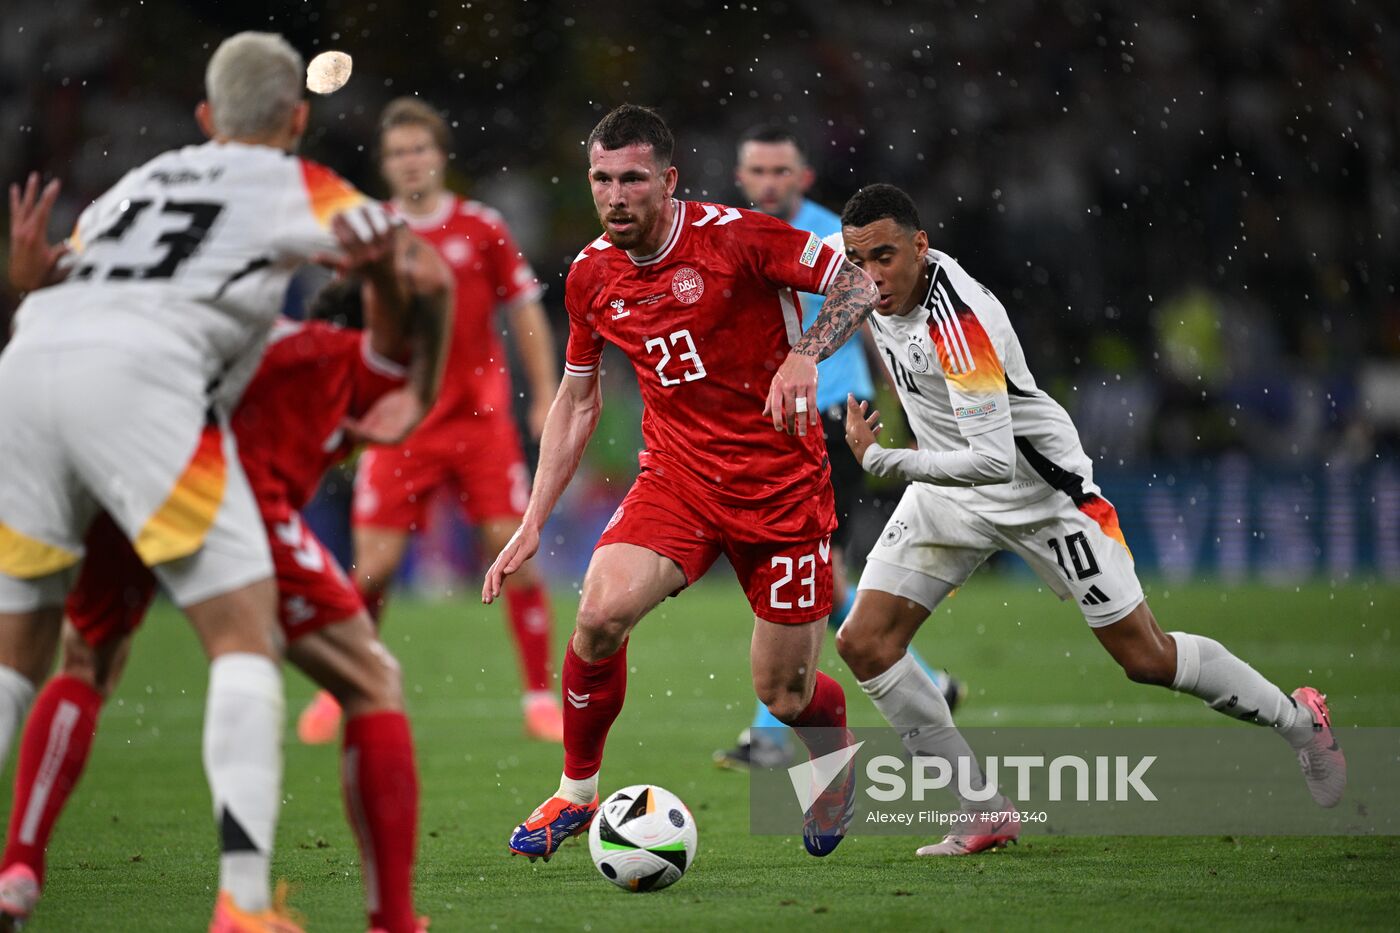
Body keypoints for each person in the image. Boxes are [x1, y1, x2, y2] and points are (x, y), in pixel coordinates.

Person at [0, 32, 392, 930]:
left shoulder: (137, 184)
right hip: (143, 395)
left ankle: (17, 866)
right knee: (240, 633)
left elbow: (70, 270)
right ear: (297, 119)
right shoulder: (296, 181)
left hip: (27, 364)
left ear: (207, 118)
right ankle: (245, 905)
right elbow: (395, 256)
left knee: (26, 655)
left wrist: (26, 284)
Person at [830, 183, 1346, 856]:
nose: (869, 278)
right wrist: (797, 360)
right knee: (863, 642)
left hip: (1041, 494)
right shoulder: (867, 280)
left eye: (884, 258)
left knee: (1146, 657)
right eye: (857, 259)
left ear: (920, 247)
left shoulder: (961, 324)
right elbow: (837, 298)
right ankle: (982, 808)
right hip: (948, 491)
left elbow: (988, 460)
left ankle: (1300, 719)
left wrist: (886, 462)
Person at [0, 236, 448, 932]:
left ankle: (19, 866)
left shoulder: (244, 332)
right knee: (370, 678)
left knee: (86, 661)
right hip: (222, 501)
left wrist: (35, 293)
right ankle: (384, 918)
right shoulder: (339, 361)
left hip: (115, 474)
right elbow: (425, 317)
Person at [483, 104, 881, 862]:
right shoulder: (592, 275)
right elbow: (577, 397)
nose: (615, 195)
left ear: (668, 181)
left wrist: (806, 355)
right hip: (679, 480)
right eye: (601, 179)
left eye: (632, 178)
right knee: (598, 614)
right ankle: (576, 792)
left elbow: (858, 282)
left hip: (779, 487)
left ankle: (834, 760)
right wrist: (535, 518)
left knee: (785, 695)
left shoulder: (738, 237)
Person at [308, 97, 564, 745]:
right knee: (373, 568)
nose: (411, 161)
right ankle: (347, 686)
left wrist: (544, 393)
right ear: (385, 165)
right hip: (401, 422)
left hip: (480, 422)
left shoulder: (482, 227)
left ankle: (539, 695)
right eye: (398, 152)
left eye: (421, 149)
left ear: (441, 157)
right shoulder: (370, 233)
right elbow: (334, 321)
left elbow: (525, 310)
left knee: (518, 556)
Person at [716, 126, 962, 770]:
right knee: (816, 571)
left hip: (831, 414)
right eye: (758, 171)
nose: (769, 182)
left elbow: (882, 319)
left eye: (781, 171)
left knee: (809, 568)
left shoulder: (839, 238)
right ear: (743, 178)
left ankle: (770, 734)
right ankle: (930, 681)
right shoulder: (736, 234)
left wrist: (906, 402)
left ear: (801, 178)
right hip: (774, 417)